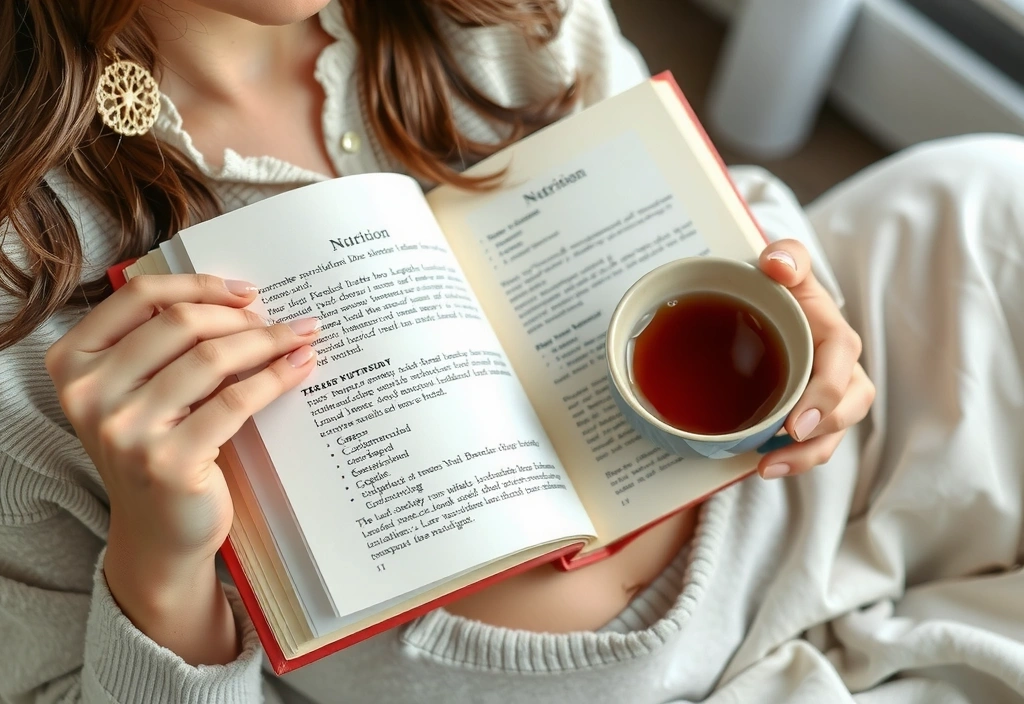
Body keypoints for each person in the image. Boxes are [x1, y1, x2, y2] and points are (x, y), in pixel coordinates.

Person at [0, 1, 1021, 702]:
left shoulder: (502, 16)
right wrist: (159, 555)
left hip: (799, 492)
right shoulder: (26, 273)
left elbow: (686, 199)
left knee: (986, 196)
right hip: (565, 679)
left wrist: (807, 317)